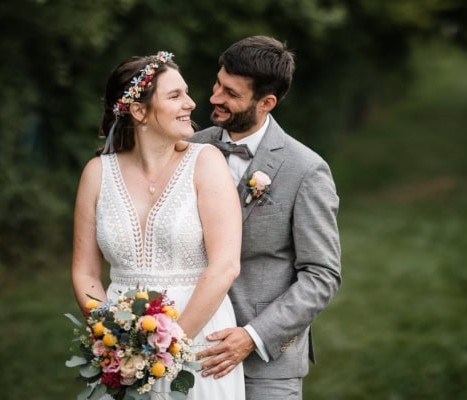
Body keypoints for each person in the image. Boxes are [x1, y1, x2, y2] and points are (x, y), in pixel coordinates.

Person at [71, 51, 246, 399]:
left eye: (187, 93)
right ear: (138, 111)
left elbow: (225, 266)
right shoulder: (97, 174)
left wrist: (168, 348)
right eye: (175, 95)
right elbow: (86, 273)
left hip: (199, 341)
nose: (192, 103)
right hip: (123, 349)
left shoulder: (206, 162)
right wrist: (113, 341)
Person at [189, 36, 342, 400]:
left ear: (266, 103)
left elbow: (322, 275)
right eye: (217, 83)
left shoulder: (306, 170)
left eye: (230, 93)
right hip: (191, 347)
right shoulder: (191, 149)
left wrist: (253, 336)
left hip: (266, 366)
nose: (214, 98)